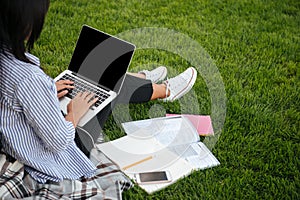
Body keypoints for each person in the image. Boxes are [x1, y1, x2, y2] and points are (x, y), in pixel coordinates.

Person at [0, 0, 197, 185]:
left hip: (25, 143)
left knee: (99, 82)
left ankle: (140, 79)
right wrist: (74, 113)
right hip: (61, 153)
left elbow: (17, 103)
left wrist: (47, 91)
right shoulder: (29, 79)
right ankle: (163, 91)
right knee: (111, 87)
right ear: (24, 25)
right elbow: (59, 141)